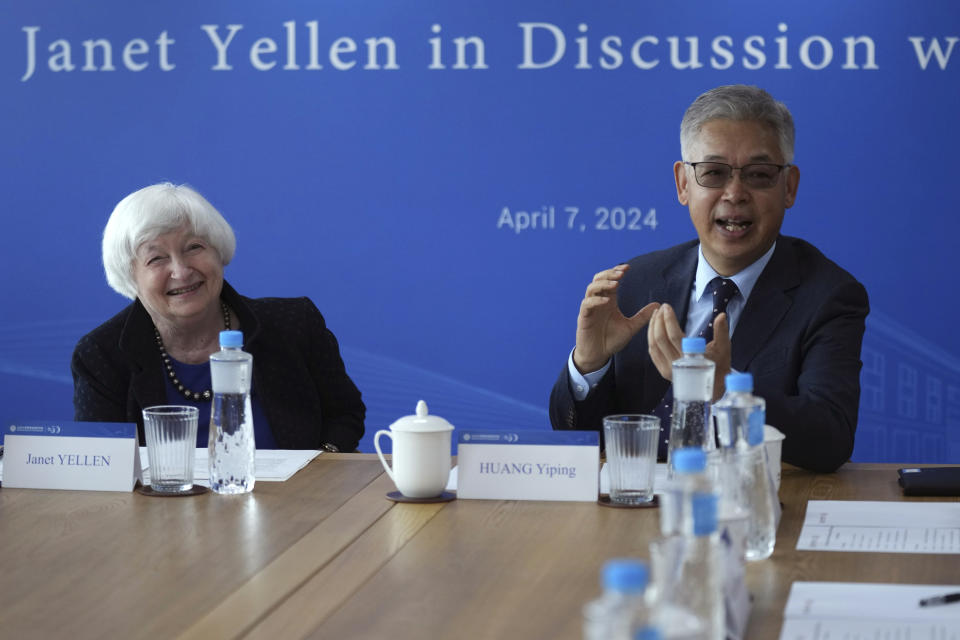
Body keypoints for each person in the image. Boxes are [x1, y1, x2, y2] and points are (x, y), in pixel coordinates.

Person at [549, 85, 869, 473]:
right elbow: (584, 437)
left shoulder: (829, 296)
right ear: (683, 183)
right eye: (714, 173)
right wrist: (589, 364)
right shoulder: (636, 283)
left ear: (789, 187)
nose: (735, 194)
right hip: (634, 514)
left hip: (754, 510)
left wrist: (722, 389)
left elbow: (830, 438)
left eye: (759, 175)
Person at [72, 182, 365, 451]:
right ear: (130, 275)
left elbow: (344, 415)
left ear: (219, 251)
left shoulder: (293, 323)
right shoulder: (102, 355)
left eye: (194, 247)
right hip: (163, 507)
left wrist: (322, 464)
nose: (181, 271)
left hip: (299, 501)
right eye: (156, 258)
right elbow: (103, 463)